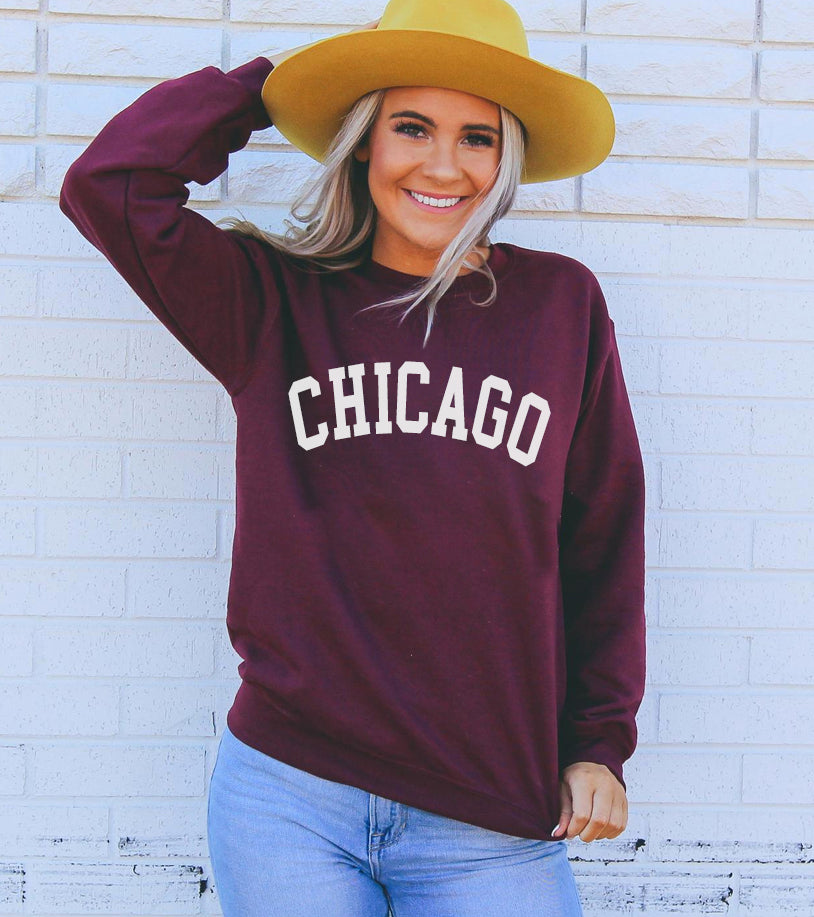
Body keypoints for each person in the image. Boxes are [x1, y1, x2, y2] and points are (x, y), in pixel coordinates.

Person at [58, 0, 646, 914]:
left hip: (489, 814)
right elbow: (111, 185)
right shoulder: (270, 303)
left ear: (506, 160)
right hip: (290, 798)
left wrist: (598, 742)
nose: (443, 166)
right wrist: (270, 88)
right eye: (410, 126)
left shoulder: (561, 307)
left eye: (478, 137)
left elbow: (602, 537)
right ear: (364, 139)